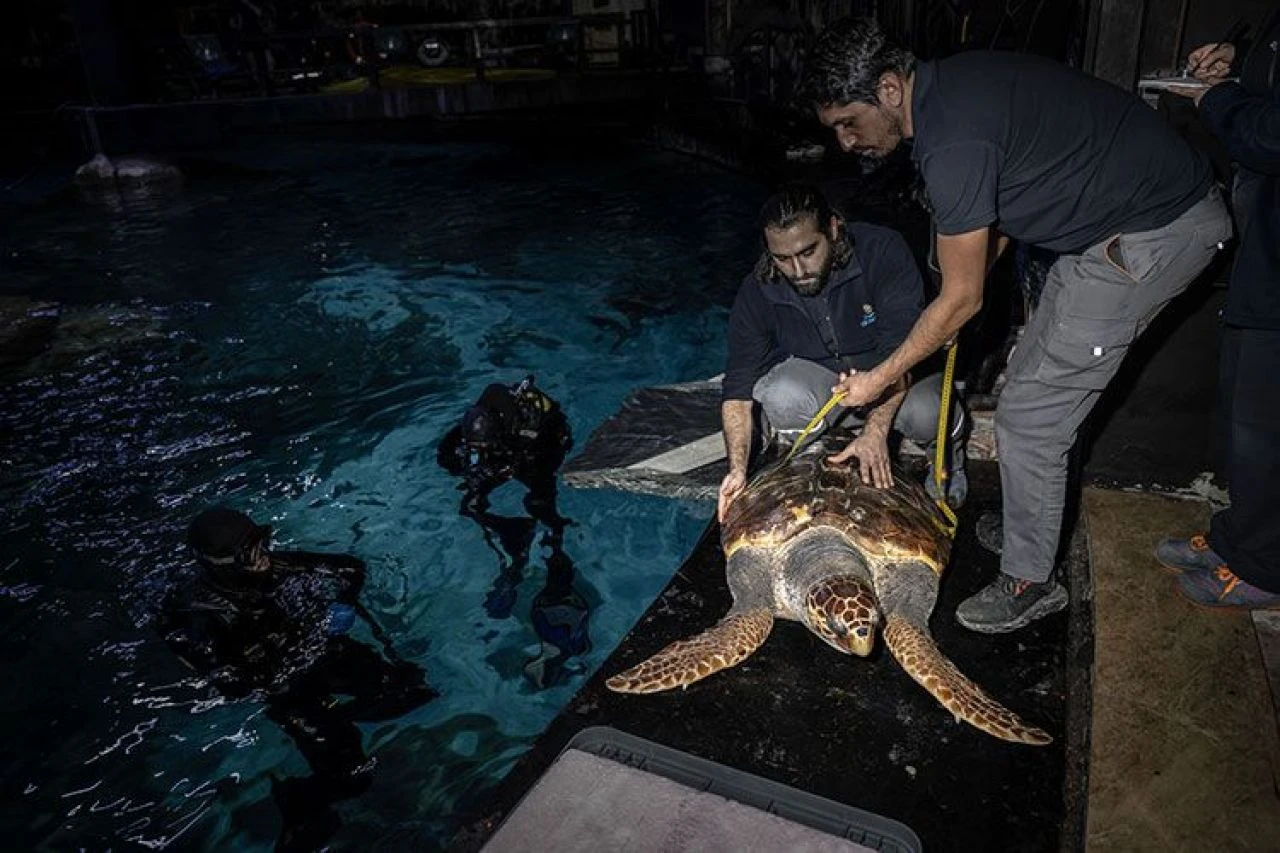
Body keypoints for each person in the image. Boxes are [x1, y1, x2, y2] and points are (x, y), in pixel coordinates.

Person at [800, 18, 1234, 633]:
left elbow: (962, 299)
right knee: (1025, 375)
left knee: (1033, 413)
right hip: (1104, 228)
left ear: (890, 89)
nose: (845, 142)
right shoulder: (953, 88)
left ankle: (1031, 580)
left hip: (1158, 231)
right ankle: (1037, 516)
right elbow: (993, 216)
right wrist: (957, 294)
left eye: (850, 121)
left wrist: (881, 377)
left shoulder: (951, 143)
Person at [159, 507, 435, 852]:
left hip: (322, 653)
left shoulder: (278, 567)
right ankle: (299, 799)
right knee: (351, 776)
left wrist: (343, 601)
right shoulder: (197, 614)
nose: (264, 556)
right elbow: (233, 683)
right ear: (224, 562)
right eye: (251, 551)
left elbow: (350, 568)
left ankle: (346, 717)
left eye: (262, 542)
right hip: (286, 690)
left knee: (413, 689)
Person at [718, 182, 967, 524]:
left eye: (808, 252)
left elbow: (900, 350)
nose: (799, 271)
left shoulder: (882, 250)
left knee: (930, 411)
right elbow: (737, 387)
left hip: (895, 372)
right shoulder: (759, 288)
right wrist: (736, 470)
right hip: (828, 376)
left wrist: (875, 432)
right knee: (778, 394)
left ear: (833, 229)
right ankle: (810, 457)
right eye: (782, 259)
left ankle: (946, 456)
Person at [1156, 12, 1280, 610]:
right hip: (1266, 242)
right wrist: (1241, 56)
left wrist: (1219, 100)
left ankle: (1266, 568)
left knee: (1265, 422)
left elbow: (1273, 133)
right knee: (1241, 412)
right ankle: (1239, 539)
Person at [437, 376, 574, 617]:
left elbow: (542, 460)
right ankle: (515, 540)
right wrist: (471, 471)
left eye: (484, 449)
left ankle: (557, 560)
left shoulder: (531, 428)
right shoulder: (480, 417)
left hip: (542, 450)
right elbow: (446, 453)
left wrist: (509, 468)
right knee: (470, 503)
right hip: (509, 451)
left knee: (540, 505)